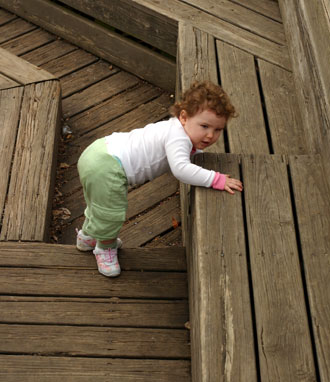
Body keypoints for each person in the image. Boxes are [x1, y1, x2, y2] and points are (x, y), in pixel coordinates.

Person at [76, 80, 243, 277]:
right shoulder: (178, 138)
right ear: (183, 117)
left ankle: (87, 237)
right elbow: (181, 169)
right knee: (110, 213)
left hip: (100, 150)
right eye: (205, 126)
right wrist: (216, 179)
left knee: (99, 204)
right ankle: (105, 248)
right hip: (108, 167)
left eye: (217, 130)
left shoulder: (176, 128)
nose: (210, 135)